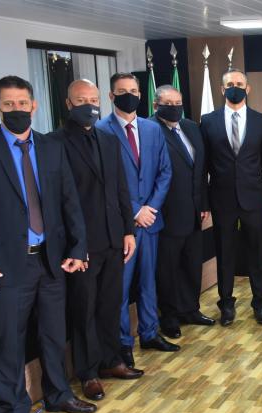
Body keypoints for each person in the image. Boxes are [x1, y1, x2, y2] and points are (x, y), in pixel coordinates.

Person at [0, 75, 96, 413]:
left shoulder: (52, 147)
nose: (17, 110)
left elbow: (70, 201)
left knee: (54, 334)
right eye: (8, 105)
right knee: (9, 340)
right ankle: (12, 411)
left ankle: (58, 394)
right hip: (6, 267)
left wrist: (78, 248)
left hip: (51, 261)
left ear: (34, 106)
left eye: (22, 104)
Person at [51, 79, 143, 403]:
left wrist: (128, 230)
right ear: (68, 104)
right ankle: (88, 373)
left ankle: (110, 360)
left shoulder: (108, 139)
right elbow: (59, 202)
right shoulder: (55, 143)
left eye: (93, 99)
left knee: (109, 304)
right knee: (84, 310)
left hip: (113, 238)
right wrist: (75, 245)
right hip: (82, 245)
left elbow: (120, 189)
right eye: (81, 100)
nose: (89, 105)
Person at [97, 72, 177, 369]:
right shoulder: (101, 130)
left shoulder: (152, 129)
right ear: (111, 96)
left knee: (148, 282)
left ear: (141, 95)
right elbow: (103, 180)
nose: (128, 95)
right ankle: (123, 344)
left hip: (151, 221)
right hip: (122, 225)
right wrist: (135, 210)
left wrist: (151, 208)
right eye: (122, 91)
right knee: (120, 288)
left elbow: (165, 171)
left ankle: (149, 333)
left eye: (133, 90)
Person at [200, 69, 262, 326]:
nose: (235, 88)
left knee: (257, 254)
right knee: (225, 254)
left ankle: (260, 303)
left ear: (248, 89)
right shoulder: (208, 121)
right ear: (222, 89)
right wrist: (203, 201)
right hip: (222, 199)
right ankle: (226, 304)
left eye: (240, 84)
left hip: (253, 198)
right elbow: (203, 165)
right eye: (230, 84)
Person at [150, 85, 214, 339]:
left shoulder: (190, 127)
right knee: (167, 268)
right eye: (168, 104)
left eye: (178, 103)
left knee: (191, 263)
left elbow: (200, 169)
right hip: (167, 212)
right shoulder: (149, 129)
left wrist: (204, 204)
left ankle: (190, 309)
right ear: (156, 105)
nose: (175, 108)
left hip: (194, 210)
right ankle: (169, 316)